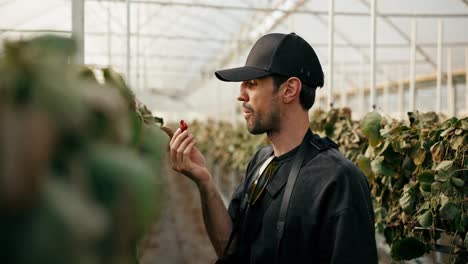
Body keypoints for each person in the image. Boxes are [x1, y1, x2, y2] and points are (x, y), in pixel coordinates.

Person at [169, 32, 378, 263]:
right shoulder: (261, 161)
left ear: (289, 90)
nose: (240, 95)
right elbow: (231, 249)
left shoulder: (339, 180)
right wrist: (205, 183)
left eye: (252, 83)